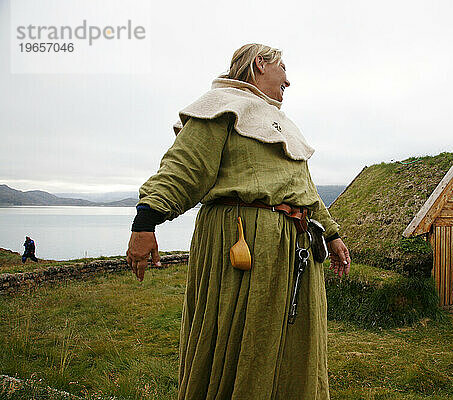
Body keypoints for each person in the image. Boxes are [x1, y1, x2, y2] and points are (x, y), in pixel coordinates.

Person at [126, 43, 351, 400]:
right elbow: (184, 169)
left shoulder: (284, 125)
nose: (288, 81)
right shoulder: (219, 108)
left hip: (293, 249)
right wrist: (145, 222)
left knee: (293, 343)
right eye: (284, 70)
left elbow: (303, 190)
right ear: (260, 64)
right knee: (242, 340)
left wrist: (333, 234)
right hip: (244, 248)